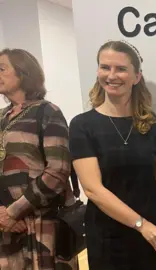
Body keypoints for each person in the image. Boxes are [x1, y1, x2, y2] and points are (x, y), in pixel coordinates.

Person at [69, 40, 156, 270]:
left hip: (153, 234)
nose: (111, 75)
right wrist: (140, 224)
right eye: (105, 67)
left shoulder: (155, 124)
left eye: (121, 69)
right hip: (109, 235)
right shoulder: (82, 125)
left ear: (136, 77)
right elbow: (93, 189)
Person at [0, 48, 78, 269]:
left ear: (23, 72)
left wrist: (14, 211)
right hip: (6, 229)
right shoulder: (0, 116)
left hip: (42, 225)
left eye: (2, 68)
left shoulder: (47, 112)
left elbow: (58, 171)